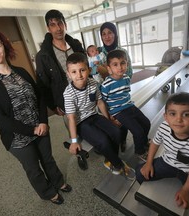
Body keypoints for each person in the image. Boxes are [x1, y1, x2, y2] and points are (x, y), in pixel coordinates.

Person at [0, 26, 71, 205]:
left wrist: (43, 121)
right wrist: (32, 129)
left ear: (4, 44)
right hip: (17, 137)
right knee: (33, 169)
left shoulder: (20, 71)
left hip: (40, 127)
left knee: (48, 159)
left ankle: (58, 181)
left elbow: (39, 97)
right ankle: (47, 192)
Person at [135, 92, 189, 216]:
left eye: (186, 114)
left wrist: (186, 190)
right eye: (172, 114)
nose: (178, 119)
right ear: (165, 117)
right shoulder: (164, 127)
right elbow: (155, 143)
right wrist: (149, 163)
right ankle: (153, 199)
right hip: (168, 162)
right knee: (139, 172)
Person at [63, 52, 135, 180]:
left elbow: (100, 102)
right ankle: (118, 164)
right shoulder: (68, 93)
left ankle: (110, 158)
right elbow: (71, 118)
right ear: (68, 74)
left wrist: (108, 120)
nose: (79, 75)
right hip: (81, 123)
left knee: (116, 132)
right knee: (103, 140)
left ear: (89, 70)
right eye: (74, 72)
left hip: (94, 115)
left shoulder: (92, 83)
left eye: (82, 70)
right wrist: (74, 141)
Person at [100, 50, 150, 161]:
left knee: (146, 123)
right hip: (118, 112)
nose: (120, 67)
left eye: (123, 63)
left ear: (127, 64)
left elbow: (126, 93)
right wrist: (110, 117)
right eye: (115, 64)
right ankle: (139, 151)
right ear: (109, 68)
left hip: (129, 106)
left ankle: (144, 142)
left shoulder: (127, 78)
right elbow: (103, 101)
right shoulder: (105, 85)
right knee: (138, 131)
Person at [35, 9, 84, 117]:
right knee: (76, 132)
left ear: (65, 24)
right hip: (66, 103)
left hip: (85, 96)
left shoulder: (77, 46)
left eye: (60, 23)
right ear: (48, 28)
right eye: (53, 25)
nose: (58, 28)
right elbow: (43, 84)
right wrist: (53, 106)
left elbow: (86, 70)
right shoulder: (43, 56)